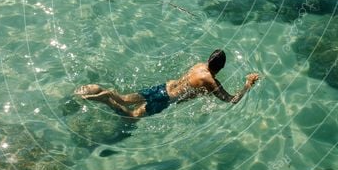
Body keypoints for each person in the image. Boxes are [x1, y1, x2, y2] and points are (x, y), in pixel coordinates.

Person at [73, 49, 260, 119]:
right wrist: (247, 85)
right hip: (166, 98)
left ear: (209, 60)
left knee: (124, 98)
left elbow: (193, 88)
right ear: (220, 67)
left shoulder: (199, 66)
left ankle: (104, 91)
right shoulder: (210, 80)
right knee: (131, 116)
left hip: (164, 87)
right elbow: (231, 100)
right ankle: (106, 98)